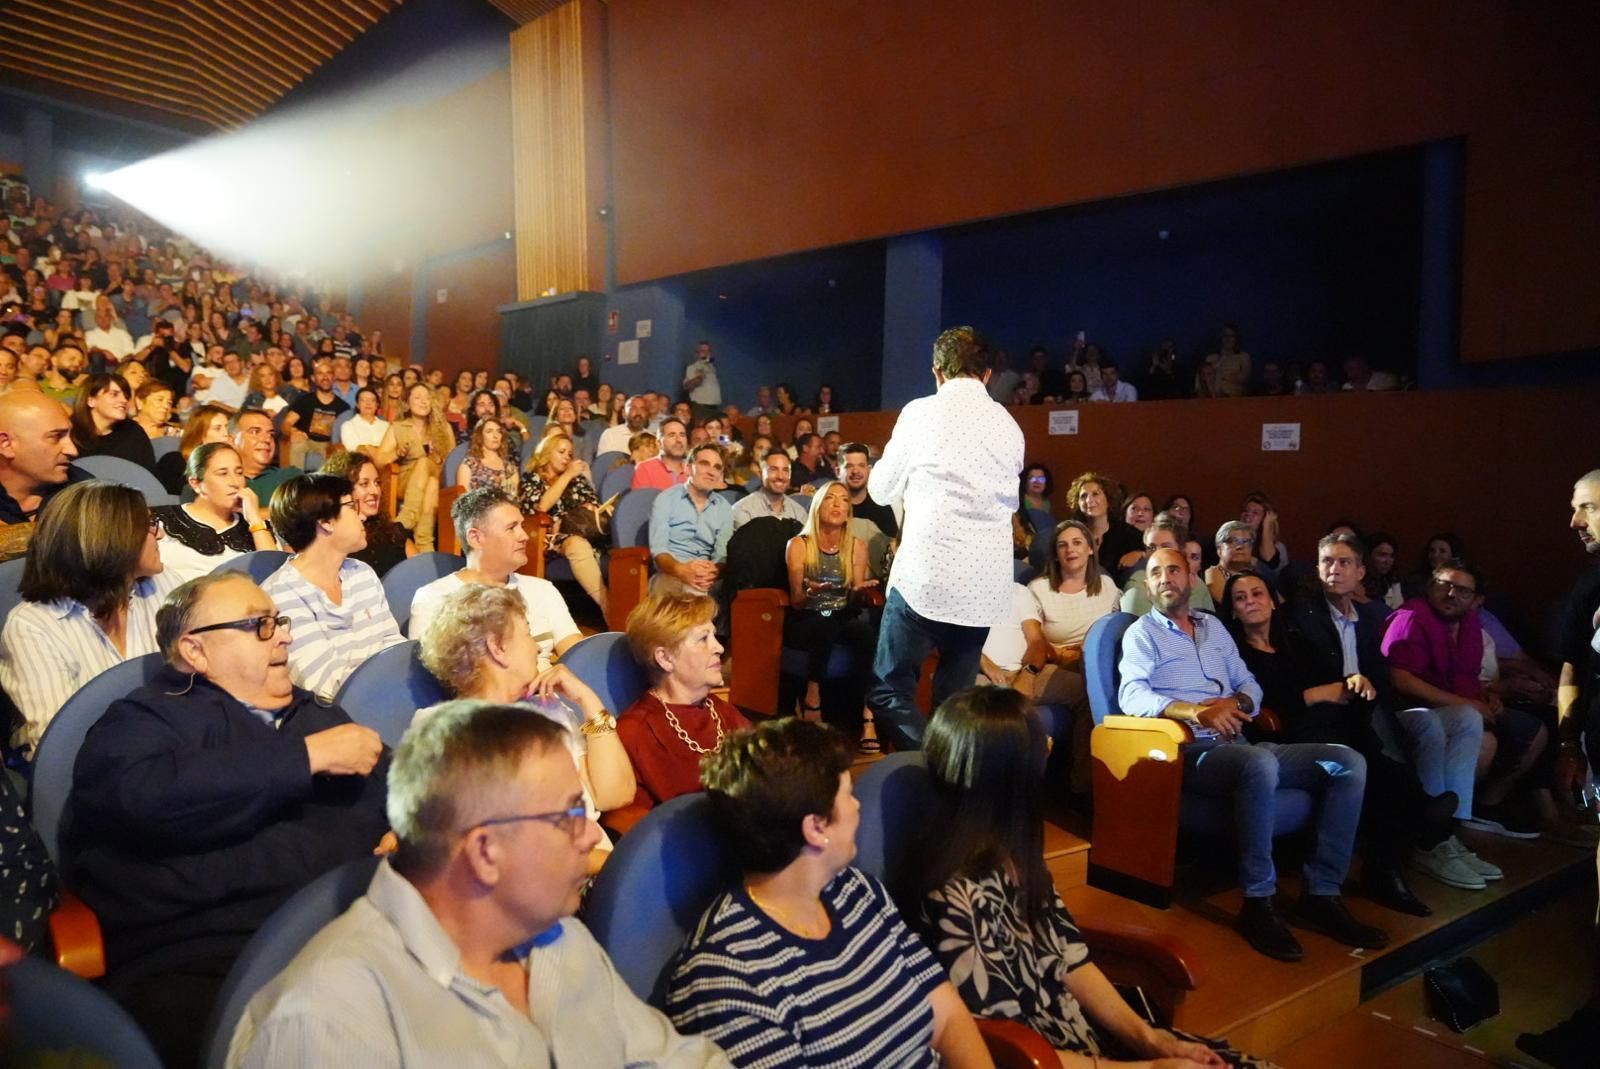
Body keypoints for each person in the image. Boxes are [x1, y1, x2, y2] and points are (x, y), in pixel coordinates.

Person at [230, 700, 726, 1068]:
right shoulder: (331, 1022)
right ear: (486, 852)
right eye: (572, 813)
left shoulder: (562, 939)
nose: (591, 833)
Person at [71, 571, 388, 1069]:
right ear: (196, 651)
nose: (284, 634)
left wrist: (412, 829)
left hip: (348, 936)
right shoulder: (145, 720)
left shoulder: (317, 715)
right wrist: (301, 760)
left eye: (279, 621)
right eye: (260, 625)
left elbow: (403, 785)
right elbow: (141, 797)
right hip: (208, 960)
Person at [918, 686, 1273, 1068]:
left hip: (1082, 1037)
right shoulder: (956, 896)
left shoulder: (1016, 856)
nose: (1050, 747)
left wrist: (1150, 1040)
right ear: (1011, 774)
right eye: (1042, 744)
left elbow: (1071, 958)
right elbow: (1000, 1045)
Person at [665, 717, 990, 1068]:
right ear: (816, 828)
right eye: (848, 794)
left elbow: (946, 1018)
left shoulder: (856, 891)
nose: (857, 806)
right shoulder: (728, 980)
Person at [1118, 548, 1387, 961]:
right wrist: (1198, 711)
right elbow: (1131, 694)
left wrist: (1240, 702)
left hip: (1240, 744)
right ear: (1148, 586)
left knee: (1347, 762)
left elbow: (1250, 683)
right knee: (1259, 761)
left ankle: (1322, 892)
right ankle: (1258, 901)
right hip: (1189, 751)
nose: (1167, 577)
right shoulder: (1142, 634)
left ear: (1191, 579)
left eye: (1175, 569)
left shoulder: (1214, 630)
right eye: (1156, 573)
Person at [1231, 545, 1458, 915]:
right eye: (1241, 598)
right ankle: (1414, 825)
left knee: (1374, 756)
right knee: (1377, 760)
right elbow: (1261, 699)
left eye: (1257, 594)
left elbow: (1329, 676)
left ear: (1273, 602)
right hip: (1284, 732)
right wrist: (1322, 693)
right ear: (1234, 610)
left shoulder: (1292, 641)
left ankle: (1386, 863)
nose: (1251, 602)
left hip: (1325, 723)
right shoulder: (1237, 650)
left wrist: (1350, 684)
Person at [866, 326, 1024, 751]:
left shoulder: (921, 413)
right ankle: (949, 786)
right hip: (983, 588)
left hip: (926, 576)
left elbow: (880, 490)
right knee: (955, 707)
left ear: (937, 372)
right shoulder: (1010, 427)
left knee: (889, 691)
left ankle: (927, 766)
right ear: (988, 375)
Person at [416, 584, 635, 874]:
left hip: (597, 867)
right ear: (498, 647)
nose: (539, 646)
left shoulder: (549, 708)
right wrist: (618, 868)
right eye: (528, 634)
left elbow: (614, 795)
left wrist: (588, 699)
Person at [0, 478, 174, 755]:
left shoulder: (162, 585)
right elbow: (60, 745)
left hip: (172, 748)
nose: (160, 535)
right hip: (95, 773)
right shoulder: (33, 627)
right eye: (150, 525)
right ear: (113, 539)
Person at [1383, 559, 1548, 838]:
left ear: (1474, 600)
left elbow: (1466, 675)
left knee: (1535, 731)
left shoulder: (1469, 622)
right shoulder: (1411, 617)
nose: (1452, 595)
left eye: (1462, 591)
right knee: (1482, 737)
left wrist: (1487, 694)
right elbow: (1401, 680)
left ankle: (1480, 809)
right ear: (1430, 586)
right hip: (1415, 709)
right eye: (1444, 586)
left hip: (1465, 705)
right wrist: (1469, 703)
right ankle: (1442, 824)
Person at [261, 473, 405, 701]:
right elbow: (325, 688)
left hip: (388, 702)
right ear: (325, 522)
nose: (362, 516)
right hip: (336, 720)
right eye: (351, 505)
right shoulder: (281, 595)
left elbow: (394, 648)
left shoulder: (361, 573)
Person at [409, 487, 581, 669]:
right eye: (511, 528)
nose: (524, 536)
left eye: (521, 526)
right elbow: (430, 678)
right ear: (475, 538)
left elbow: (579, 656)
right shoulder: (433, 598)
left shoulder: (543, 590)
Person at [619, 593, 751, 806]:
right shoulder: (636, 732)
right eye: (703, 639)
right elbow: (637, 826)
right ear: (665, 658)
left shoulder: (723, 712)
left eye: (714, 636)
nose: (719, 648)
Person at [1019, 519, 1119, 792]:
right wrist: (1066, 654)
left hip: (1097, 663)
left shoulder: (1107, 586)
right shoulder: (1038, 588)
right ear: (1055, 553)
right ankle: (1084, 787)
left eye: (1077, 543)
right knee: (1091, 692)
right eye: (1062, 545)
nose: (1070, 549)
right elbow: (1036, 642)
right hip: (1054, 664)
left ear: (1090, 549)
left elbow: (1113, 635)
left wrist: (1080, 653)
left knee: (1102, 683)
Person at [783, 482, 879, 746]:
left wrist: (859, 589)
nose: (837, 505)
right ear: (818, 506)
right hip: (808, 615)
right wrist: (810, 591)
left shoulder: (857, 546)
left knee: (865, 630)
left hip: (844, 614)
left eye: (844, 500)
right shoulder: (799, 545)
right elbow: (797, 600)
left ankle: (867, 714)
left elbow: (854, 593)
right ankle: (813, 697)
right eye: (830, 499)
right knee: (825, 623)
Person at [154, 442, 277, 583]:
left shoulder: (259, 529)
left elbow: (276, 580)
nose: (235, 482)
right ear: (196, 483)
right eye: (223, 474)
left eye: (239, 473)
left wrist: (255, 520)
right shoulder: (162, 519)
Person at [520, 432, 609, 615]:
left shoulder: (578, 481)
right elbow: (542, 506)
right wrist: (567, 475)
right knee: (577, 544)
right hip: (546, 539)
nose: (567, 457)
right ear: (546, 453)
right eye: (561, 452)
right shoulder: (532, 479)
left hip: (584, 534)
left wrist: (592, 508)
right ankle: (612, 611)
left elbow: (593, 503)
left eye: (569, 453)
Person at [648, 442, 734, 599]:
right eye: (704, 464)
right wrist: (680, 570)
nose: (711, 472)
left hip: (707, 576)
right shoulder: (666, 499)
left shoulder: (725, 508)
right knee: (691, 595)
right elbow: (659, 551)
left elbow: (722, 554)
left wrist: (713, 571)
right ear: (688, 468)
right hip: (671, 572)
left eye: (717, 467)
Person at [318, 450, 417, 577]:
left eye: (377, 483)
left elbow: (423, 578)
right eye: (364, 484)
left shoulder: (395, 534)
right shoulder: (328, 540)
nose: (375, 491)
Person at [0, 387, 82, 522]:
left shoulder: (87, 500)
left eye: (69, 436)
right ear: (6, 445)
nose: (72, 450)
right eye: (56, 437)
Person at [391, 382, 454, 551]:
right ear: (407, 402)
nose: (423, 401)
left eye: (427, 398)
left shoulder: (444, 428)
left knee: (429, 471)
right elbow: (380, 459)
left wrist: (438, 460)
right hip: (405, 480)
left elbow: (452, 463)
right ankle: (425, 542)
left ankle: (405, 520)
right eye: (417, 397)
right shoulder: (398, 427)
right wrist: (397, 453)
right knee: (430, 481)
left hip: (437, 472)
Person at [1121, 515, 1215, 615]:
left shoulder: (1197, 582)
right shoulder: (1137, 583)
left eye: (1165, 547)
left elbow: (1211, 624)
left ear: (1180, 549)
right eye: (1151, 548)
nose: (1157, 553)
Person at [69, 372, 157, 472]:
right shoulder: (70, 433)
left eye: (126, 396)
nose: (124, 400)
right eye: (114, 394)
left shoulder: (133, 432)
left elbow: (147, 477)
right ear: (91, 401)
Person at [1066, 470, 1143, 581]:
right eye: (1083, 496)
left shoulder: (1127, 533)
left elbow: (1154, 552)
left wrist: (1139, 553)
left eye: (1095, 494)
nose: (1089, 500)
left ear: (1109, 499)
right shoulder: (1071, 533)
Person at [730, 448, 807, 529]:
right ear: (760, 474)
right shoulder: (743, 510)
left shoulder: (799, 513)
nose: (780, 476)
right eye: (773, 469)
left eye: (785, 470)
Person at [1204, 520, 1276, 605]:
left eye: (1246, 542)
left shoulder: (1259, 573)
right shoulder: (1212, 573)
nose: (1240, 546)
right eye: (1232, 541)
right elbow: (1230, 607)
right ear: (1219, 549)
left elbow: (1278, 604)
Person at [838, 440, 898, 539]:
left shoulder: (881, 506)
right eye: (849, 466)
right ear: (837, 472)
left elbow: (893, 545)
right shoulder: (829, 506)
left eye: (861, 466)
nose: (856, 471)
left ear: (869, 470)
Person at [458, 410, 520, 495]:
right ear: (480, 437)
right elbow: (462, 502)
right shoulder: (469, 465)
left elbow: (513, 499)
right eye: (489, 431)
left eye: (499, 431)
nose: (495, 436)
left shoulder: (510, 469)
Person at [338, 385, 397, 465]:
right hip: (361, 464)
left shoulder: (386, 425)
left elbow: (393, 449)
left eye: (372, 400)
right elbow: (355, 448)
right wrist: (379, 453)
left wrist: (369, 448)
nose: (368, 403)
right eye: (364, 400)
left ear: (377, 405)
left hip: (387, 466)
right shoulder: (348, 425)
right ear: (358, 405)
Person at [632, 415, 690, 490]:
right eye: (672, 435)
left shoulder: (694, 470)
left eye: (682, 435)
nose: (678, 440)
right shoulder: (644, 469)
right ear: (659, 443)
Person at [1197, 324, 1250, 398]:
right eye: (1225, 336)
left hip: (1235, 397)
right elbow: (1204, 378)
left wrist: (1225, 377)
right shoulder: (1211, 358)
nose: (1228, 339)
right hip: (1213, 399)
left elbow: (1244, 378)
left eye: (1231, 336)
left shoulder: (1243, 357)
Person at [682, 340, 721, 419]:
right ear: (697, 354)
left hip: (714, 407)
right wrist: (699, 377)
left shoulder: (712, 368)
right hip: (701, 408)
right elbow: (686, 387)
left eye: (708, 351)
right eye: (703, 351)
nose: (706, 353)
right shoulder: (693, 367)